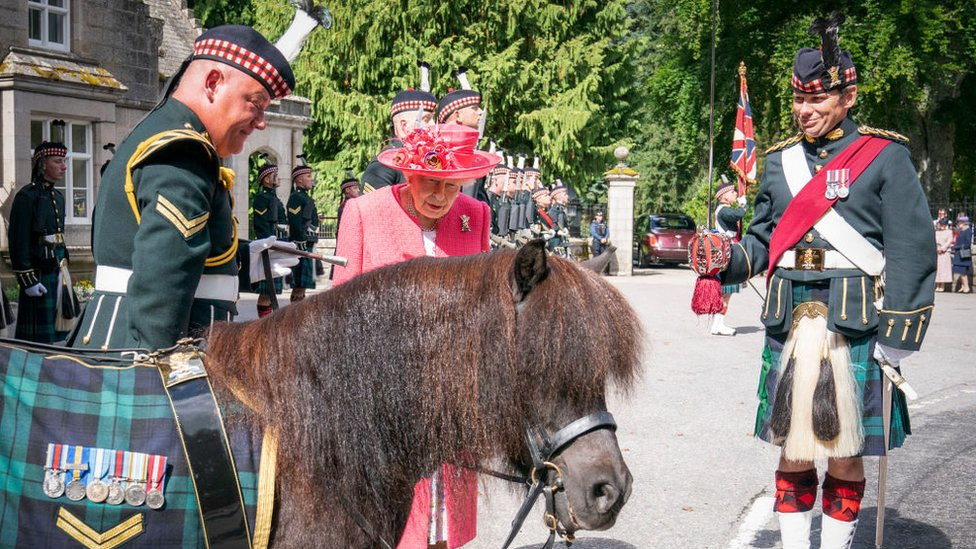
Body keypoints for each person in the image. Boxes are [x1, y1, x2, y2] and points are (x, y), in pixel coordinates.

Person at [697, 14, 935, 549]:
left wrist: (897, 336)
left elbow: (912, 249)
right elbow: (762, 244)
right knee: (793, 447)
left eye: (818, 100)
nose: (805, 111)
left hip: (857, 324)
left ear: (847, 97)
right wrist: (725, 261)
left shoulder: (885, 157)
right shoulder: (779, 164)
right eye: (799, 101)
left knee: (846, 450)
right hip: (790, 314)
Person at [69, 21, 317, 350]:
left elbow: (172, 253)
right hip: (149, 353)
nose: (261, 122)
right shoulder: (186, 150)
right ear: (213, 83)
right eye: (255, 104)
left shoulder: (169, 135)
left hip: (123, 338)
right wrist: (162, 379)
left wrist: (245, 258)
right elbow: (162, 287)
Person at [332, 124, 498, 549]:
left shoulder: (474, 214)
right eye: (431, 183)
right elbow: (336, 313)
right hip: (383, 388)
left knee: (446, 520)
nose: (442, 198)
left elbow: (483, 303)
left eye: (452, 186)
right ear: (408, 173)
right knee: (388, 519)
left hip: (453, 391)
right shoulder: (364, 212)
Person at [8, 140, 69, 343]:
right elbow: (18, 241)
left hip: (56, 269)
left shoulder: (58, 197)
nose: (64, 166)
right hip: (38, 271)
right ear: (43, 164)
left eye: (64, 161)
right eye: (58, 161)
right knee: (36, 341)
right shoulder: (26, 197)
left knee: (57, 334)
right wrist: (28, 280)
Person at [361, 62, 437, 193]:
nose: (434, 125)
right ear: (404, 125)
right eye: (426, 119)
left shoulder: (431, 158)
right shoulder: (384, 164)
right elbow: (373, 210)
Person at [436, 67, 490, 206]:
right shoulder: (437, 151)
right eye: (474, 108)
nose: (480, 113)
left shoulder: (472, 153)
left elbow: (479, 196)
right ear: (458, 115)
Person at [252, 160, 288, 317]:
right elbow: (261, 225)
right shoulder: (261, 199)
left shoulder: (275, 199)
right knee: (267, 293)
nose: (279, 179)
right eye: (276, 176)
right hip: (269, 248)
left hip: (277, 244)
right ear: (267, 179)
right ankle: (263, 323)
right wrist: (268, 244)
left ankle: (268, 322)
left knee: (272, 291)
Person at [711, 181, 748, 336]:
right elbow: (738, 215)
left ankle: (718, 323)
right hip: (727, 253)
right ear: (724, 196)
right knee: (725, 291)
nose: (735, 194)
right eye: (732, 192)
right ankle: (717, 324)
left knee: (727, 293)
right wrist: (743, 205)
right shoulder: (723, 211)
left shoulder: (723, 210)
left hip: (727, 251)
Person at [287, 160, 319, 302]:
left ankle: (297, 316)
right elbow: (295, 221)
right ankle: (294, 317)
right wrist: (299, 241)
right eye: (308, 176)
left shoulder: (305, 197)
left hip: (308, 242)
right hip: (301, 244)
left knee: (303, 286)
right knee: (299, 285)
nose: (311, 180)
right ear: (299, 180)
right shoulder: (296, 197)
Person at [951, 214, 972, 293]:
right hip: (959, 254)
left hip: (963, 255)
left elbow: (967, 244)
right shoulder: (961, 231)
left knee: (962, 272)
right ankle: (963, 286)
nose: (958, 224)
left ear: (964, 222)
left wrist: (956, 247)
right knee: (959, 271)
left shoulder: (968, 230)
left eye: (959, 222)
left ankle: (966, 287)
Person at [547, 185, 570, 254]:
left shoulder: (561, 209)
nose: (567, 196)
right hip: (555, 241)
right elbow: (553, 226)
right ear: (558, 196)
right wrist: (559, 231)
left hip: (562, 240)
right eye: (565, 194)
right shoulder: (554, 210)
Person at [935, 218, 954, 292]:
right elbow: (934, 240)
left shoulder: (949, 232)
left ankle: (942, 285)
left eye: (944, 225)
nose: (942, 226)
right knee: (938, 268)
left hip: (944, 252)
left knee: (943, 269)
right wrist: (937, 248)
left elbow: (949, 241)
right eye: (941, 224)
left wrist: (943, 248)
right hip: (937, 252)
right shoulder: (937, 232)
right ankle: (937, 285)